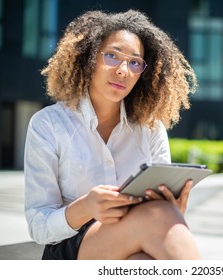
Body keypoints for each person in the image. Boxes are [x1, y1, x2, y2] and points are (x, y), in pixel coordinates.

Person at [24, 9, 200, 260]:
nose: (123, 70)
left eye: (134, 62)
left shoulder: (151, 129)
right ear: (89, 58)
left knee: (145, 261)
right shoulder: (48, 124)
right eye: (112, 56)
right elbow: (38, 227)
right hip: (71, 247)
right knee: (158, 217)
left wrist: (174, 208)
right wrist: (86, 207)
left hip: (137, 237)